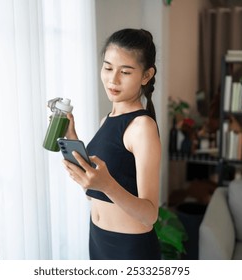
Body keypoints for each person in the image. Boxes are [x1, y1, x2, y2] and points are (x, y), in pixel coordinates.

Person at [62, 28, 161, 260]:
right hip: (97, 239)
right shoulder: (106, 120)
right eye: (107, 68)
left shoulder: (142, 127)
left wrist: (107, 185)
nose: (112, 80)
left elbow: (150, 215)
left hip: (129, 249)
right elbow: (94, 194)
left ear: (146, 76)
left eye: (125, 72)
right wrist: (72, 136)